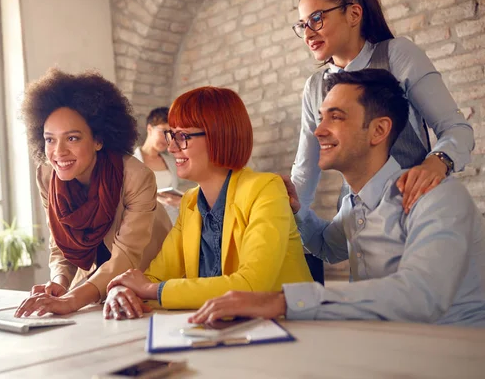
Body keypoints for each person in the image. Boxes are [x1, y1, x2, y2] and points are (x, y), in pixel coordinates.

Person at [190, 69, 485, 327]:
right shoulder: (353, 204)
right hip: (385, 344)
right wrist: (296, 210)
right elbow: (326, 247)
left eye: (336, 117)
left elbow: (422, 295)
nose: (318, 131)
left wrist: (283, 301)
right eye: (320, 117)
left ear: (379, 130)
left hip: (453, 350)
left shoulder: (437, 196)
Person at [103, 86, 313, 320]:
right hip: (223, 333)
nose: (171, 148)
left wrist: (151, 290)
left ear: (218, 135)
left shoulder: (266, 189)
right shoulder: (190, 203)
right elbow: (154, 275)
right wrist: (123, 289)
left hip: (289, 333)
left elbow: (252, 286)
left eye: (182, 136)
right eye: (172, 135)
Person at [290, 0, 474, 217]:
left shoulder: (397, 55)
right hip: (358, 224)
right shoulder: (315, 87)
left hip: (417, 213)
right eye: (302, 25)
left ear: (354, 14)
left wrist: (435, 164)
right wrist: (287, 213)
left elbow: (457, 129)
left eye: (316, 19)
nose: (308, 34)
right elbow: (305, 172)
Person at [14, 69, 172, 317]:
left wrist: (71, 301)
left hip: (145, 275)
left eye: (73, 138)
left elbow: (127, 256)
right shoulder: (46, 176)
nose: (59, 152)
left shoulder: (135, 176)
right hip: (94, 282)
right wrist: (58, 282)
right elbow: (60, 242)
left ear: (98, 139)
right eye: (50, 139)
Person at [133, 107, 194, 223]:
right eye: (163, 132)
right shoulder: (129, 160)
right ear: (149, 128)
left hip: (169, 224)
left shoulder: (172, 161)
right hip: (140, 225)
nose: (168, 139)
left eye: (172, 134)